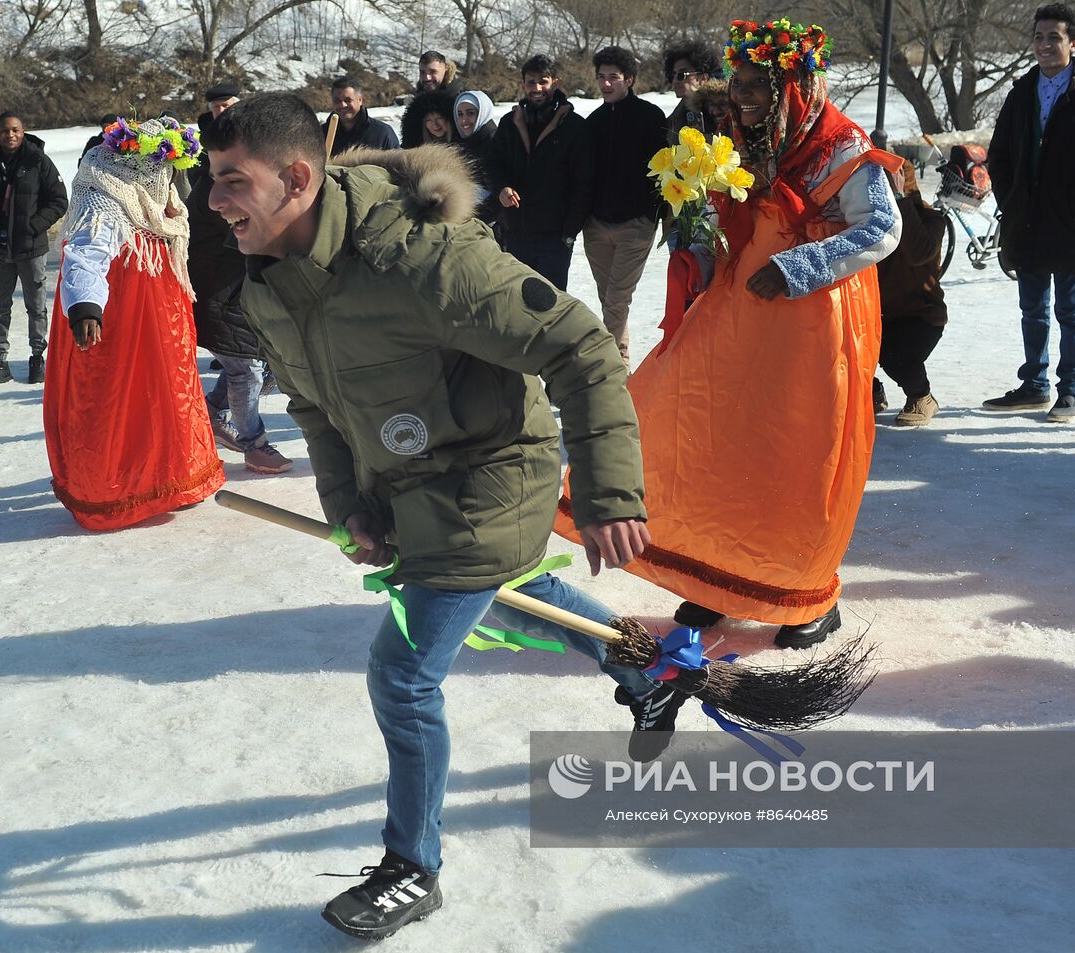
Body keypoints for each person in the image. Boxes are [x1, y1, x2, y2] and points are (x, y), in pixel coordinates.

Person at [205, 91, 683, 940]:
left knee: (403, 674)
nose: (215, 202)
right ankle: (653, 669)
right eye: (214, 182)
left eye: (232, 182)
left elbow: (578, 345)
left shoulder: (423, 261)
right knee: (505, 596)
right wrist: (349, 505)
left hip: (490, 475)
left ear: (297, 178)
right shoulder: (272, 286)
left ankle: (411, 865)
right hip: (403, 483)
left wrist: (610, 494)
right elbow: (316, 410)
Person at [557, 18, 902, 645]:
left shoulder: (842, 148)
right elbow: (732, 212)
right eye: (737, 83)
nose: (740, 96)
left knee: (794, 457)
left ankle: (802, 597)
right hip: (739, 315)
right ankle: (716, 580)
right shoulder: (750, 140)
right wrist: (701, 246)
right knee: (711, 440)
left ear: (793, 87)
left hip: (815, 330)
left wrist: (801, 264)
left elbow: (882, 230)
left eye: (753, 86)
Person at [43, 117, 226, 529]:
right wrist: (87, 306)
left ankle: (172, 480)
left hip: (160, 320)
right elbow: (87, 255)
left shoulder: (159, 208)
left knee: (167, 396)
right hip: (119, 322)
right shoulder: (106, 200)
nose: (167, 181)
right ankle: (116, 490)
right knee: (119, 404)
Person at [982, 4, 1075, 421]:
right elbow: (999, 155)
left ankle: (1070, 390)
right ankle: (1035, 385)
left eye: (1054, 37)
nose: (1044, 45)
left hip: (1072, 222)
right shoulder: (1022, 91)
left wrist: (1073, 204)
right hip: (1026, 219)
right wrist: (1011, 199)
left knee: (1070, 310)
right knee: (1033, 309)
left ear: (1073, 43)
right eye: (1039, 37)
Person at [187, 132, 294, 475]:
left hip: (237, 295)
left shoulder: (235, 185)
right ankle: (254, 445)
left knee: (254, 366)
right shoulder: (215, 192)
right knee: (245, 371)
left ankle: (213, 412)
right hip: (217, 295)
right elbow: (245, 235)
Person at [583, 45, 668, 364]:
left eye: (614, 78)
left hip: (636, 225)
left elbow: (662, 170)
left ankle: (609, 373)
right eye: (602, 77)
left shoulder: (650, 117)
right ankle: (621, 369)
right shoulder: (593, 122)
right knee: (610, 302)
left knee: (617, 301)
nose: (606, 84)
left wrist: (650, 214)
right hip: (597, 226)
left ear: (629, 79)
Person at [0, 112, 68, 388]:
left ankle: (38, 357)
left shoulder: (37, 160)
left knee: (36, 306)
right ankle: (0, 361)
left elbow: (59, 200)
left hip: (31, 247)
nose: (9, 135)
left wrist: (33, 226)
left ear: (23, 132)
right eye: (4, 131)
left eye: (14, 130)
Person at [485, 54, 593, 290]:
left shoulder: (574, 126)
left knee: (551, 309)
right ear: (523, 84)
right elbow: (493, 165)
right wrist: (501, 187)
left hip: (555, 238)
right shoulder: (509, 123)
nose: (536, 88)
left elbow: (584, 184)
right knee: (517, 307)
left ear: (556, 82)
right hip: (515, 233)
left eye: (543, 81)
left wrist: (569, 233)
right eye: (530, 82)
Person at [874, 160, 948, 426]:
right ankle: (870, 392)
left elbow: (918, 252)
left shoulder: (932, 220)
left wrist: (898, 200)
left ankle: (922, 397)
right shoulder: (867, 221)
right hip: (880, 315)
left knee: (895, 355)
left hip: (921, 316)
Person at [452, 90, 500, 225]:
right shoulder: (462, 144)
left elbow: (499, 190)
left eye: (471, 113)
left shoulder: (496, 142)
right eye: (460, 114)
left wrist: (475, 219)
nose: (464, 120)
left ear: (483, 112)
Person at [324, 77, 399, 156]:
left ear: (360, 100)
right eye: (337, 101)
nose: (342, 105)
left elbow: (398, 165)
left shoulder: (382, 133)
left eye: (348, 100)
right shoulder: (321, 135)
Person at [664, 40, 720, 138]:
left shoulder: (722, 112)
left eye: (682, 75)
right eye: (673, 76)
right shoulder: (675, 118)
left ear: (703, 78)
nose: (675, 81)